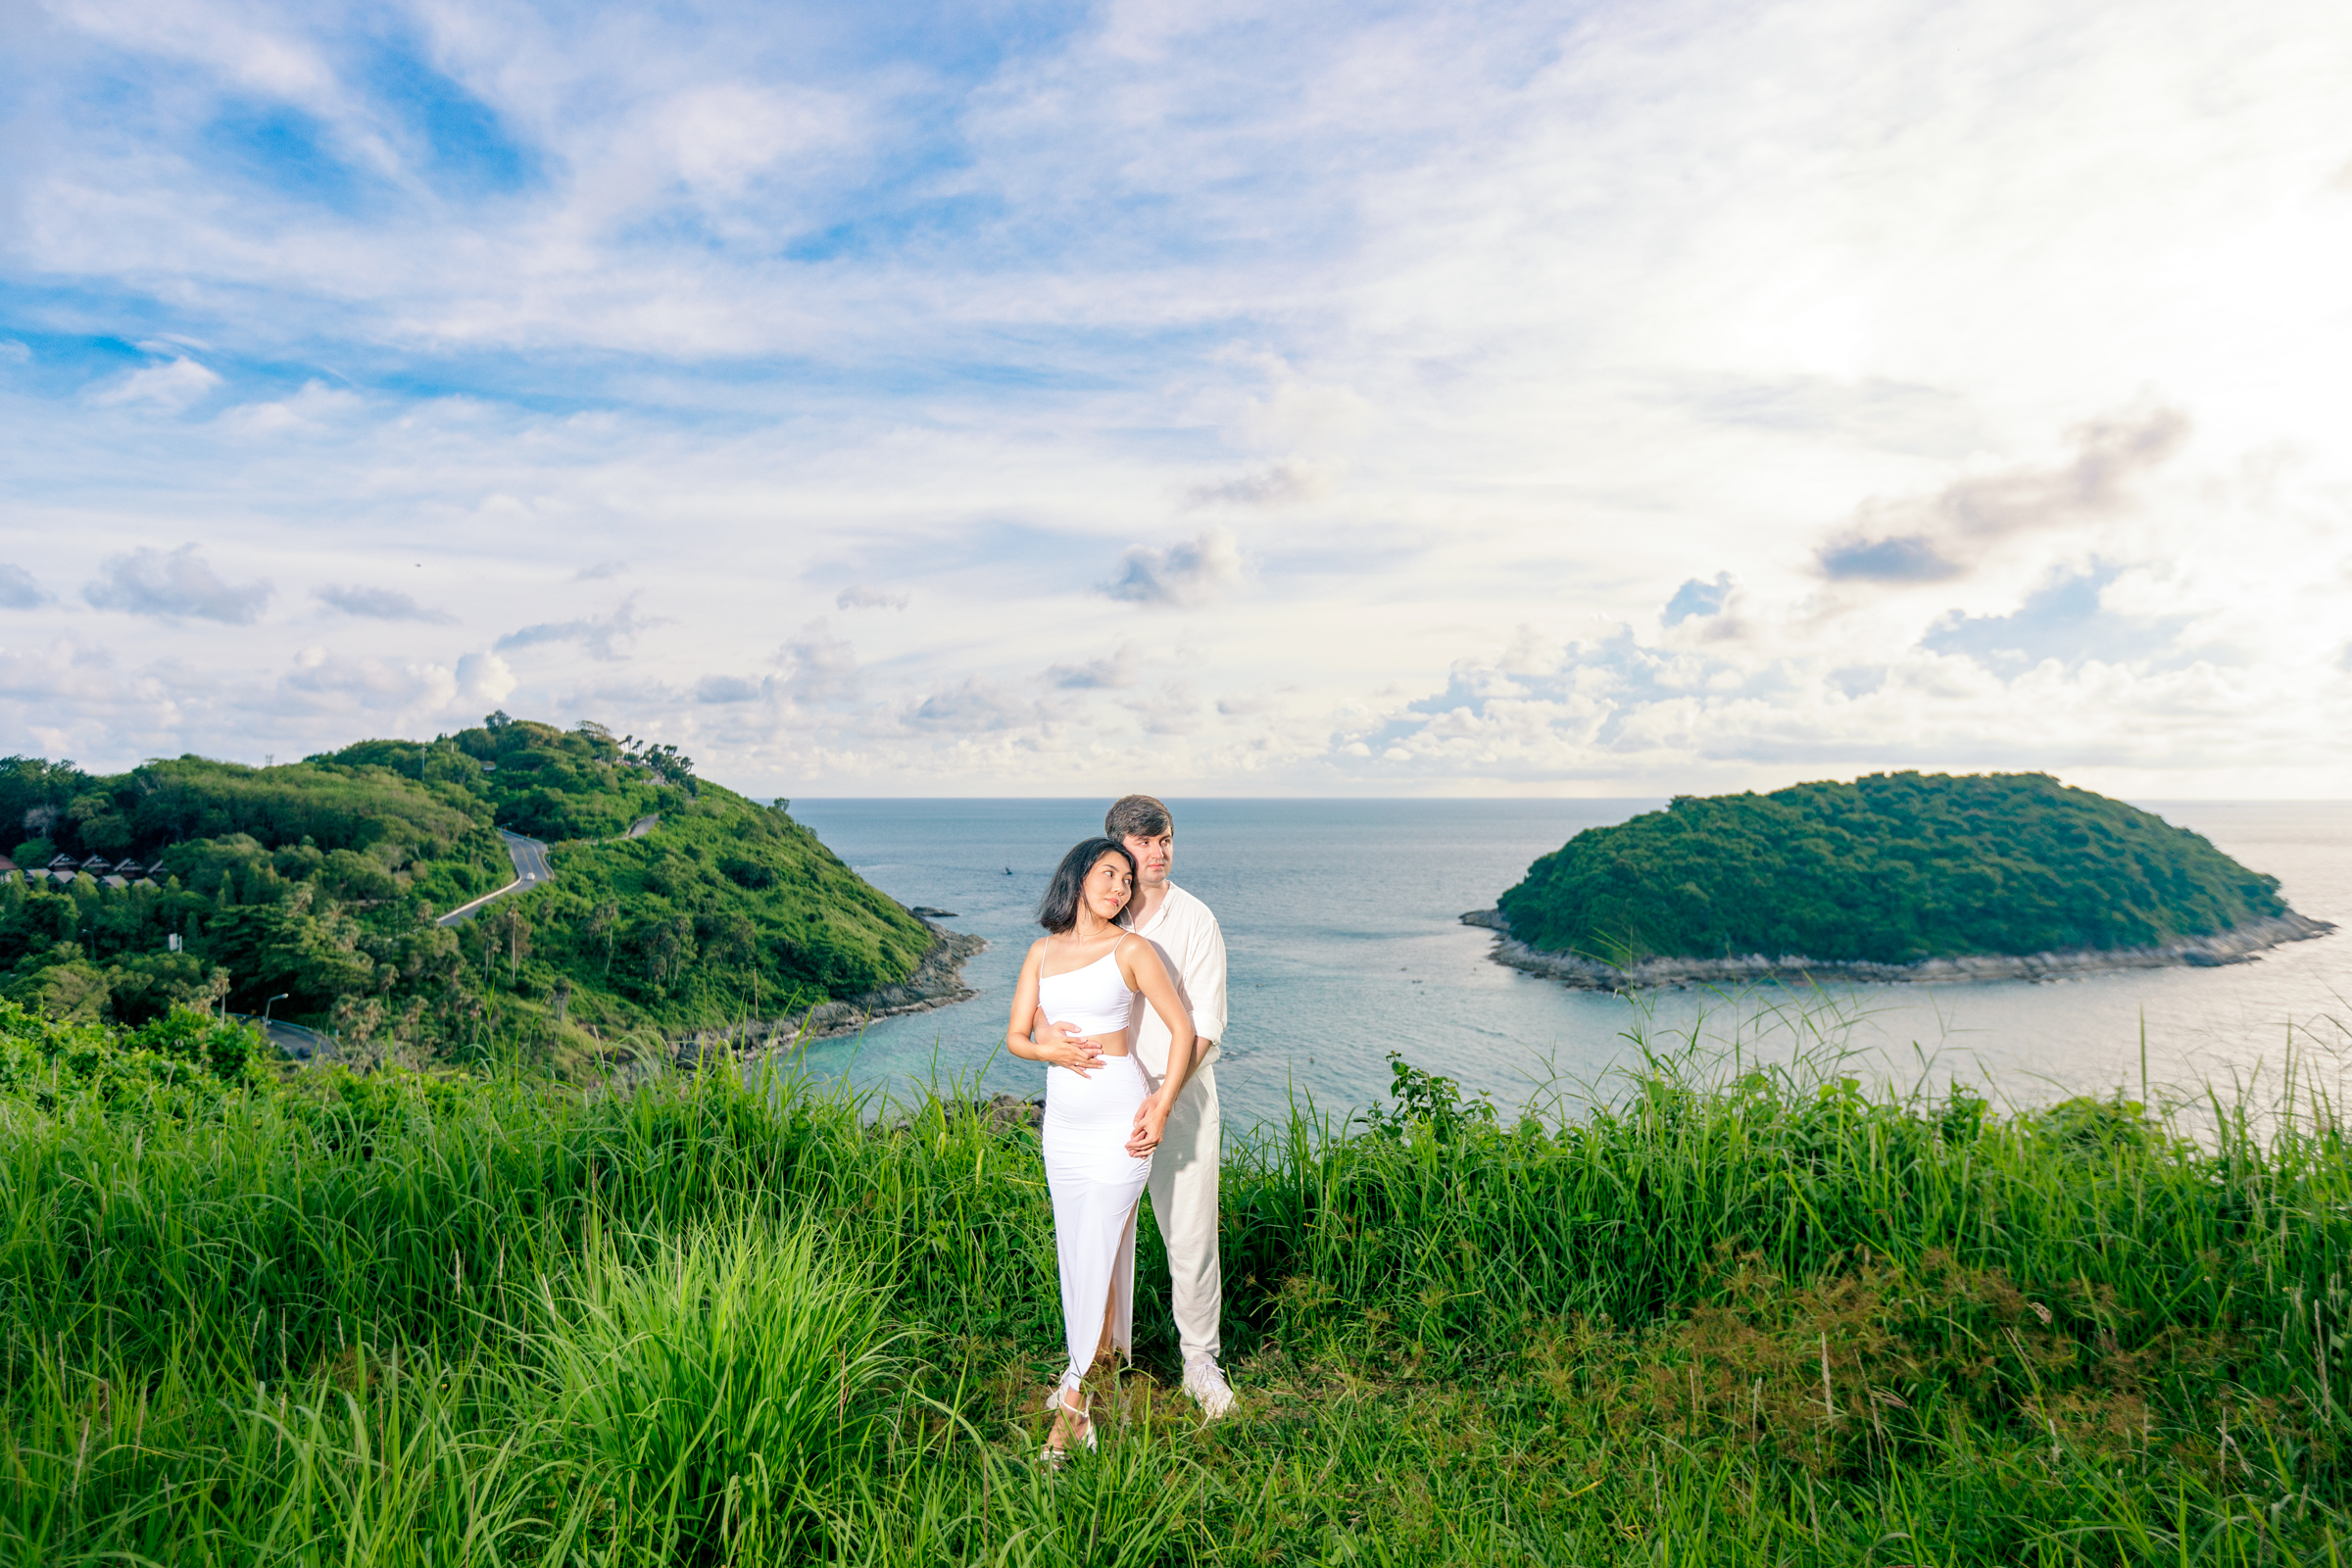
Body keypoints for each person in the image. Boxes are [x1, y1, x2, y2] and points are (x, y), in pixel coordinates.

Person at [1034, 795, 1234, 1418]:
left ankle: (1200, 1358)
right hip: (1100, 1102)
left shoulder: (1194, 919)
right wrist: (1049, 1043)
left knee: (1190, 1234)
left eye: (1166, 839)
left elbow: (1203, 1025)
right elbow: (1047, 997)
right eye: (1144, 843)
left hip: (1179, 1101)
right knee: (1103, 1236)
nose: (1158, 852)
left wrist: (1162, 1099)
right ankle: (1099, 1358)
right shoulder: (1090, 917)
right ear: (1116, 847)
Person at [1006, 837, 1199, 1460]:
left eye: (1127, 880)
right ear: (1078, 876)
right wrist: (1048, 1047)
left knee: (1097, 1249)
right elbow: (1016, 1035)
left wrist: (1161, 1104)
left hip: (1120, 1119)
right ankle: (1095, 1370)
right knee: (1080, 1253)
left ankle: (1070, 1409)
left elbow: (1184, 1030)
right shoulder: (1042, 950)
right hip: (1062, 1126)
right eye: (1108, 874)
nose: (1120, 887)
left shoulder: (1132, 949)